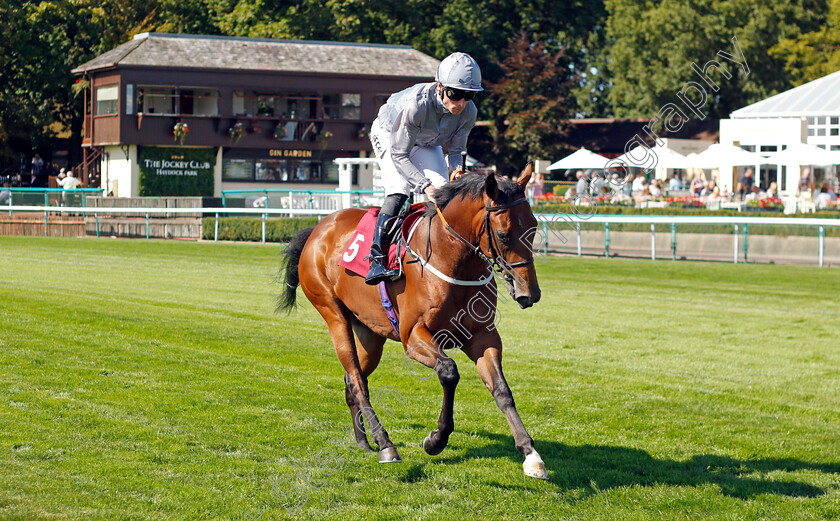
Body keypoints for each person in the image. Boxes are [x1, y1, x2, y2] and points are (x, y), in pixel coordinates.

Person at [366, 52, 482, 284]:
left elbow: (457, 151)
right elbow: (400, 153)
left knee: (443, 193)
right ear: (440, 87)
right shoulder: (416, 106)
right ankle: (376, 260)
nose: (460, 102)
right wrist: (423, 185)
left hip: (426, 141)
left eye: (468, 95)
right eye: (455, 94)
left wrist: (457, 171)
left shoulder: (469, 112)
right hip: (390, 134)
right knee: (400, 189)